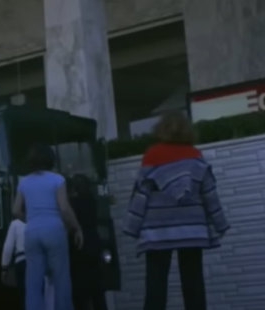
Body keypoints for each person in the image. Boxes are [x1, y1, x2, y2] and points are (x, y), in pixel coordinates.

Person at [123, 111, 228, 310]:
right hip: (191, 228)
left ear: (161, 130)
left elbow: (140, 194)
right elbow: (209, 194)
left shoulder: (152, 155)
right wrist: (220, 224)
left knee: (156, 282)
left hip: (157, 230)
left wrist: (132, 226)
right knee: (193, 281)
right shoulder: (195, 156)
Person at [12, 145, 82, 310]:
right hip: (54, 229)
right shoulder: (57, 179)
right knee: (61, 279)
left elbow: (15, 210)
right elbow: (64, 208)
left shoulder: (24, 182)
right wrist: (77, 228)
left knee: (33, 282)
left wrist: (31, 219)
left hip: (32, 232)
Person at [67, 175, 107, 310]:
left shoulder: (71, 204)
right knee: (97, 287)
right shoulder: (92, 201)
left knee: (80, 290)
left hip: (78, 247)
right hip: (94, 244)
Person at [2, 218, 57, 310]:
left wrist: (4, 269)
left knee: (24, 297)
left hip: (21, 263)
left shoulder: (15, 224)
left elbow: (7, 249)